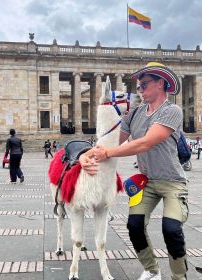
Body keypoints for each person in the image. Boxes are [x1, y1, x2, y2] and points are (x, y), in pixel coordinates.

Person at [80, 62, 188, 280]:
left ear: (161, 83)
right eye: (138, 86)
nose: (139, 90)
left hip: (172, 182)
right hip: (146, 181)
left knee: (171, 229)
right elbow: (109, 141)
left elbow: (146, 143)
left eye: (144, 85)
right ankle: (151, 269)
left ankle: (179, 277)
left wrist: (108, 153)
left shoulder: (172, 111)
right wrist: (84, 155)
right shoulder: (134, 114)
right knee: (134, 225)